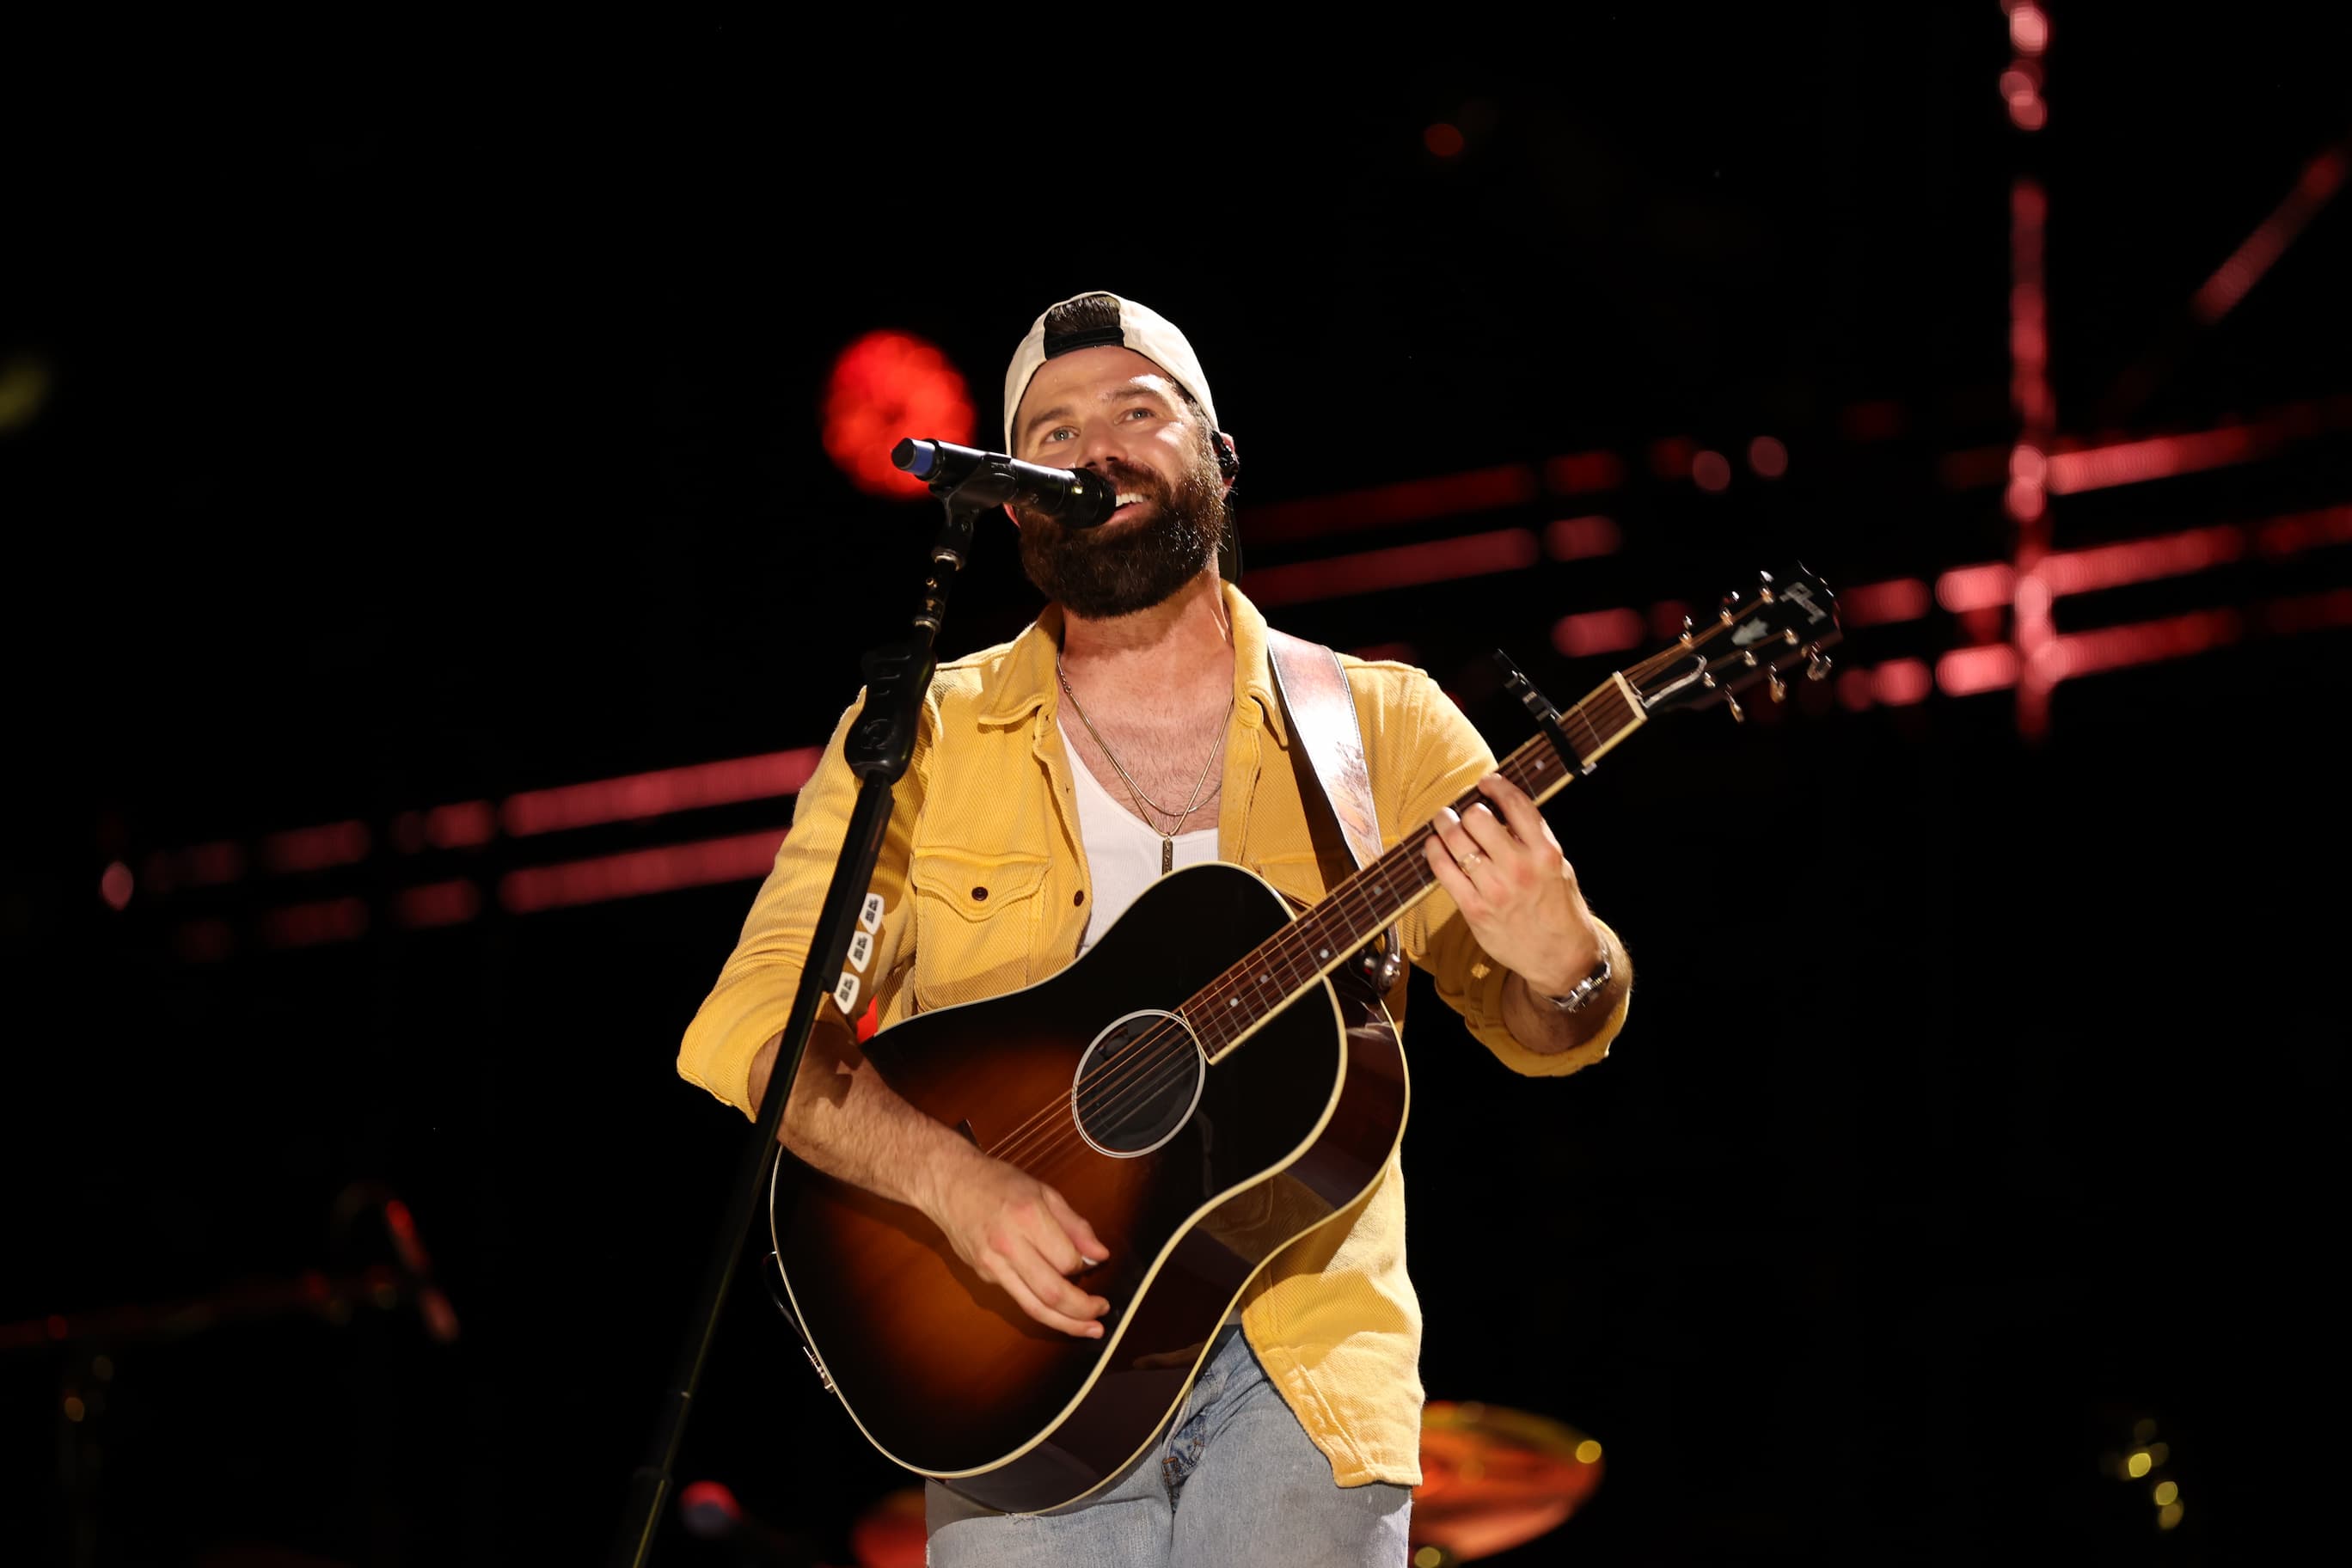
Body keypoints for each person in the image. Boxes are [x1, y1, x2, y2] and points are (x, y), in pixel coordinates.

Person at [678, 291, 1632, 1566]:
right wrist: (954, 1184)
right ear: (1015, 496)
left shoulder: (1379, 726)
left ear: (1220, 460)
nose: (1098, 449)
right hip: (1022, 1378)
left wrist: (1563, 957)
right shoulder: (924, 733)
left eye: (1140, 412)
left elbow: (1549, 1030)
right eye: (1054, 430)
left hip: (1300, 1373)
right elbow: (763, 1026)